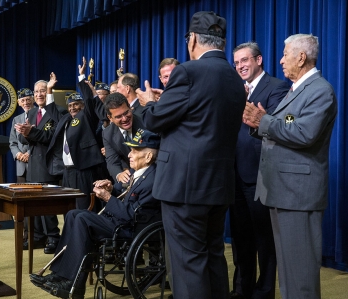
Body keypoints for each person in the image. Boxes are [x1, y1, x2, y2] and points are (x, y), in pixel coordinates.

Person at [136, 11, 246, 299]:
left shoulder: (188, 71)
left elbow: (156, 120)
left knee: (188, 263)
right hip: (218, 185)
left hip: (184, 187)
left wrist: (148, 103)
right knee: (213, 256)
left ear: (193, 39)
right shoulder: (235, 79)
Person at [242, 34, 337, 299]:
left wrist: (264, 121)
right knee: (288, 272)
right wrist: (260, 123)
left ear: (301, 57)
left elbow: (304, 133)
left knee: (301, 275)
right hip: (281, 191)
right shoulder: (296, 90)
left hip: (298, 195)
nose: (281, 60)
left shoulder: (320, 90)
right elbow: (288, 123)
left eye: (285, 55)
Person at [29, 129, 161, 299]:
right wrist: (111, 188)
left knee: (83, 218)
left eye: (135, 151)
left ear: (148, 157)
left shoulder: (152, 179)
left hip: (131, 228)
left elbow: (130, 214)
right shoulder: (138, 172)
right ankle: (59, 274)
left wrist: (107, 198)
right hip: (120, 220)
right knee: (73, 214)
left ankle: (71, 282)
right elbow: (122, 188)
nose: (129, 154)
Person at [228, 42, 290, 299]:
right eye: (237, 63)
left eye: (245, 61)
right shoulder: (234, 89)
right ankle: (242, 291)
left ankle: (263, 293)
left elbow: (278, 126)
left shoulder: (278, 87)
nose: (240, 66)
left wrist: (245, 105)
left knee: (265, 242)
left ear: (259, 60)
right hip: (234, 176)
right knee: (241, 240)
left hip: (261, 176)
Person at [37, 58, 107, 211]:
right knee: (68, 207)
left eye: (76, 104)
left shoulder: (87, 117)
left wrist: (81, 77)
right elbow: (51, 109)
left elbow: (89, 100)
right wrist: (49, 89)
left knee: (84, 207)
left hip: (83, 170)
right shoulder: (65, 119)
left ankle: (87, 234)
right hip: (67, 172)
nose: (73, 107)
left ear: (82, 106)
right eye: (70, 105)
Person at [16, 80, 65, 254]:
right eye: (36, 91)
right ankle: (36, 236)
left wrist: (30, 132)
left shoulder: (58, 112)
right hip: (33, 166)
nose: (38, 95)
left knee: (47, 205)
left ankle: (53, 236)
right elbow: (23, 140)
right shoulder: (32, 112)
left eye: (42, 91)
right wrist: (23, 133)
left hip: (48, 164)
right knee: (34, 204)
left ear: (49, 93)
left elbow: (52, 137)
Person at [102, 92, 145, 183]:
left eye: (126, 113)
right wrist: (119, 174)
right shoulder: (107, 134)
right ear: (110, 118)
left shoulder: (145, 122)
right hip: (130, 177)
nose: (125, 119)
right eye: (118, 117)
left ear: (130, 107)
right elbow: (112, 162)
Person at [9, 88, 35, 183]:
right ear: (18, 102)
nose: (26, 103)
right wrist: (18, 154)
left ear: (33, 99)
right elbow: (12, 142)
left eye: (28, 99)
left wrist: (29, 153)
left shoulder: (40, 115)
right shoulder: (16, 119)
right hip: (20, 167)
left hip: (36, 166)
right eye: (22, 100)